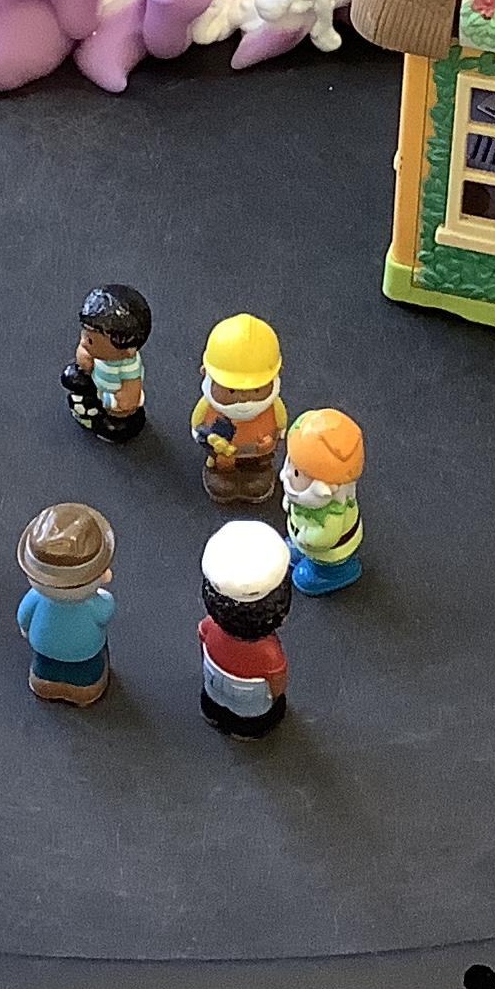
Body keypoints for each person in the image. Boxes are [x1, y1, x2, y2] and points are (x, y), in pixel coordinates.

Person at [197, 520, 295, 736]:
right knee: (260, 717)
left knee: (214, 702)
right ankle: (247, 731)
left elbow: (202, 638)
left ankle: (212, 712)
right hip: (252, 703)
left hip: (214, 685)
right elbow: (277, 684)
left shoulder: (210, 626)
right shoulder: (268, 653)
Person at [16, 503, 118, 705]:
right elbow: (106, 611)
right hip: (85, 652)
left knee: (45, 669)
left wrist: (26, 629)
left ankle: (45, 683)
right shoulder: (95, 604)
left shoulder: (35, 597)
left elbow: (24, 617)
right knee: (85, 674)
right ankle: (84, 690)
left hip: (44, 647)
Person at [191, 313, 286, 507]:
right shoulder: (207, 407)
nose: (243, 399)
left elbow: (282, 426)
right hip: (223, 457)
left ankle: (257, 474)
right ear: (206, 373)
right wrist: (207, 439)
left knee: (257, 476)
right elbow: (197, 426)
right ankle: (223, 475)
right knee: (223, 477)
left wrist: (271, 441)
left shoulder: (274, 407)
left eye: (256, 390)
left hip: (259, 455)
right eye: (232, 390)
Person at [281, 409, 364, 592]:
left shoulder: (332, 513)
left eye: (297, 473)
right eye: (291, 464)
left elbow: (326, 537)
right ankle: (301, 551)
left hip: (328, 551)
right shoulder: (306, 499)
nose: (289, 474)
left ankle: (332, 573)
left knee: (327, 561)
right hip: (302, 533)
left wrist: (309, 540)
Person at [62, 283, 152, 441]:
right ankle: (88, 406)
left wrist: (111, 401)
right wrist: (84, 361)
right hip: (98, 385)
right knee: (73, 377)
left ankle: (100, 419)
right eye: (84, 334)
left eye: (90, 340)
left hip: (111, 401)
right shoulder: (96, 354)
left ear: (127, 349)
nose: (83, 342)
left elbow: (129, 398)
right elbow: (83, 361)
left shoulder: (128, 367)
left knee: (115, 427)